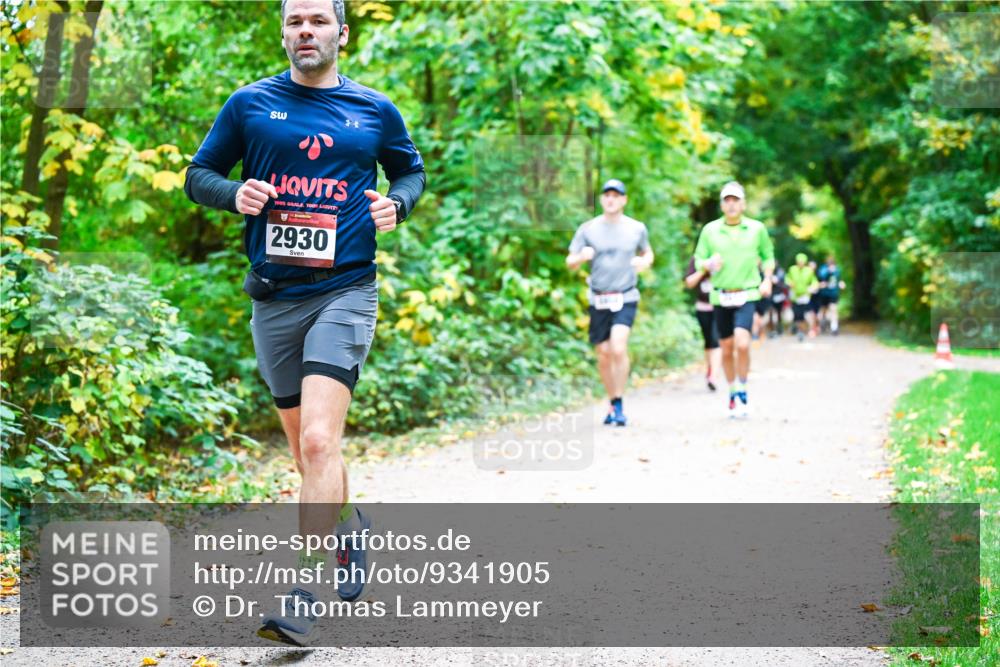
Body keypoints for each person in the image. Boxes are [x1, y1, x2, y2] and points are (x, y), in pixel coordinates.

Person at [183, 0, 425, 646]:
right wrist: (232, 193)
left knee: (320, 441)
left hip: (345, 290)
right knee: (303, 452)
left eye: (318, 21)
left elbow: (411, 170)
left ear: (342, 34)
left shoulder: (374, 110)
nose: (306, 31)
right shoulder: (249, 105)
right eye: (295, 22)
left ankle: (304, 590)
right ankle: (348, 521)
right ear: (283, 33)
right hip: (273, 298)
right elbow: (196, 174)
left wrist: (395, 203)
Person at [567, 179, 654, 427]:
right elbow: (569, 260)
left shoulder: (637, 228)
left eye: (616, 195)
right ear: (602, 200)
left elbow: (648, 252)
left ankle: (619, 402)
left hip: (625, 295)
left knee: (618, 347)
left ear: (624, 200)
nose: (611, 199)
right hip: (599, 297)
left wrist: (644, 261)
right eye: (607, 195)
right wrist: (580, 258)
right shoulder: (588, 229)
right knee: (603, 354)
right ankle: (611, 399)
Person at [693, 181, 774, 418]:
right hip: (720, 295)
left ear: (743, 204)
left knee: (742, 342)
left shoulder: (757, 229)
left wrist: (767, 279)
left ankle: (743, 386)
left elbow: (768, 256)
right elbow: (698, 260)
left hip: (747, 293)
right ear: (721, 205)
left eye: (735, 200)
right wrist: (707, 264)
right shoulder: (710, 230)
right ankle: (732, 390)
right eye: (727, 200)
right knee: (726, 348)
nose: (731, 205)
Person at [684, 256, 721, 391]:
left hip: (719, 306)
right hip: (702, 307)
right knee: (708, 341)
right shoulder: (696, 260)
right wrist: (703, 269)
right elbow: (689, 283)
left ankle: (714, 376)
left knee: (716, 340)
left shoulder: (723, 257)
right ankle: (710, 369)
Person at [786, 253, 819, 342]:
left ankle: (811, 330)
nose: (800, 263)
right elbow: (787, 278)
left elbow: (815, 281)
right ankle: (800, 331)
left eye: (802, 262)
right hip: (795, 296)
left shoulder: (809, 270)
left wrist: (813, 287)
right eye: (799, 261)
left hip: (805, 296)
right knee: (798, 315)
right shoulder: (792, 269)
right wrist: (789, 283)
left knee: (808, 313)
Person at [817, 254, 846, 335]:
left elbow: (839, 279)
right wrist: (829, 272)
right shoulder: (823, 269)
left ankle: (834, 327)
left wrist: (841, 284)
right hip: (824, 294)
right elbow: (821, 278)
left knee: (834, 309)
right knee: (823, 310)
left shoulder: (837, 270)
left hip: (833, 293)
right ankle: (823, 322)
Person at [769, 264, 788, 337]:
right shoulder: (768, 274)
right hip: (771, 296)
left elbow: (784, 284)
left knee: (779, 313)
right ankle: (772, 330)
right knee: (771, 313)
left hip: (779, 295)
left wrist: (777, 282)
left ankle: (779, 328)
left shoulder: (781, 272)